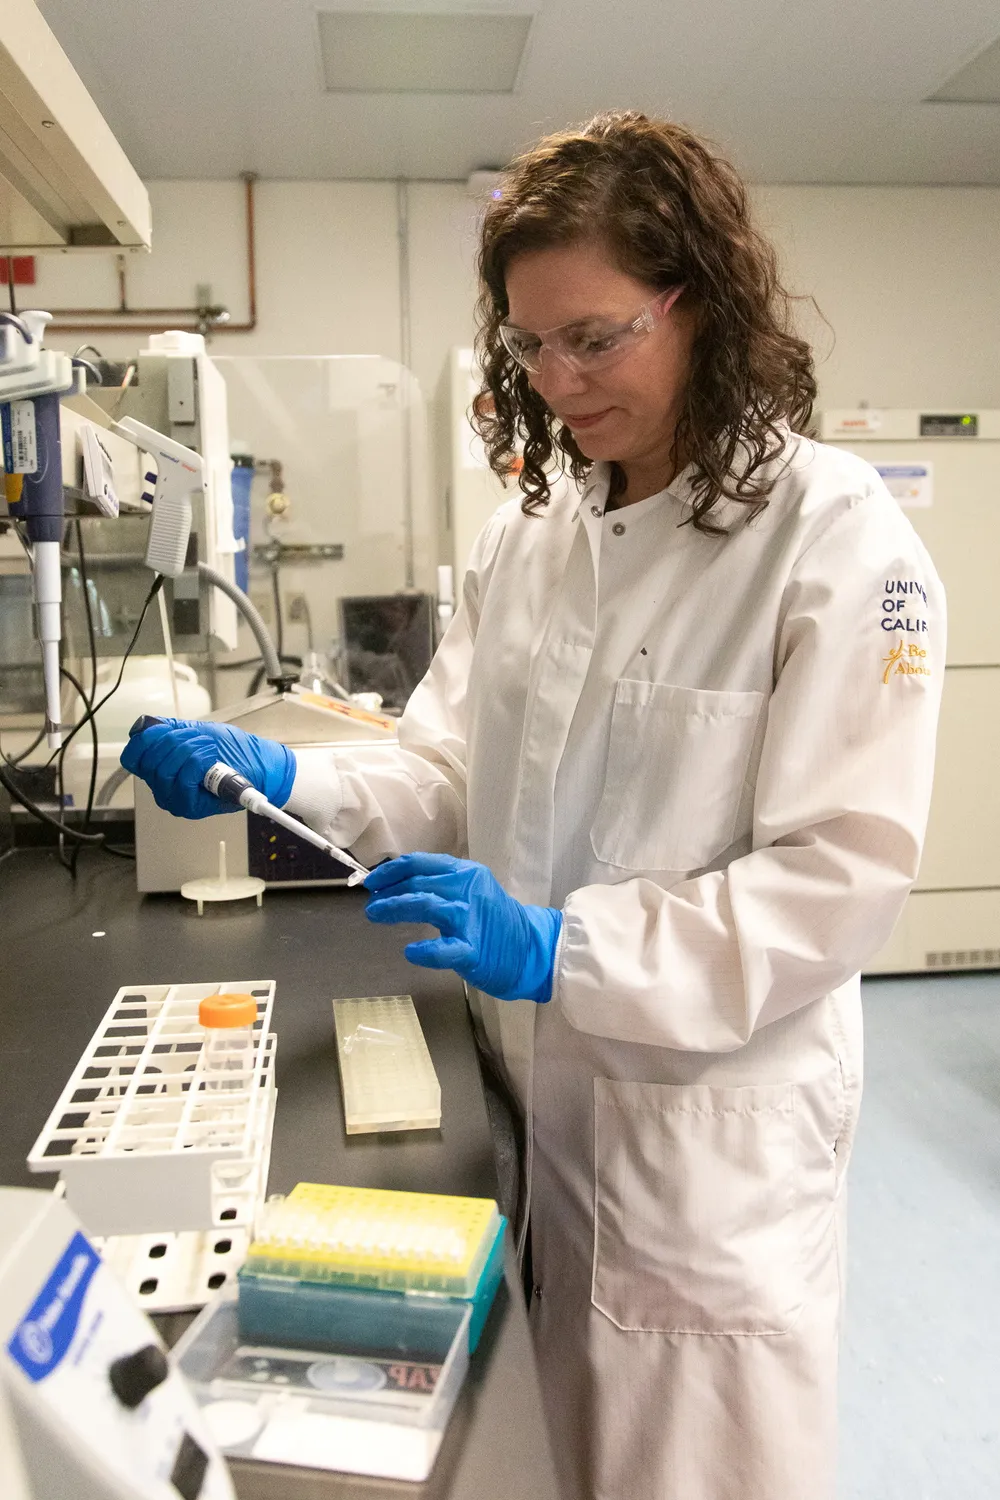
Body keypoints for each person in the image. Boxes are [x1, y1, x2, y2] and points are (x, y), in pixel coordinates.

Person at [122, 112, 945, 1500]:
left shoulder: (836, 541)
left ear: (703, 304)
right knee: (538, 1453)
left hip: (701, 1138)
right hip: (534, 1093)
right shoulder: (538, 533)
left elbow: (836, 886)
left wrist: (570, 947)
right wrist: (278, 779)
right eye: (529, 345)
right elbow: (444, 770)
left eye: (596, 336)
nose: (557, 379)